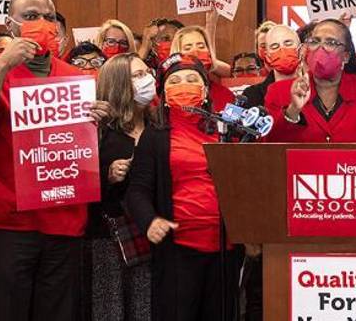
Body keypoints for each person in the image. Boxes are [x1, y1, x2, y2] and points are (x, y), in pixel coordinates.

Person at [0, 0, 110, 321]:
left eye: (49, 17)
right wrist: (3, 64)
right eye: (31, 16)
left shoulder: (75, 78)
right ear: (10, 25)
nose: (43, 24)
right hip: (8, 223)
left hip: (64, 219)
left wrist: (96, 123)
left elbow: (79, 150)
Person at [126, 53, 240, 321]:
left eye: (192, 79)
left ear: (204, 90)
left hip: (225, 250)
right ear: (163, 94)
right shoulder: (155, 135)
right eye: (175, 81)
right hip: (178, 250)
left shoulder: (226, 130)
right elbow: (137, 190)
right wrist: (150, 220)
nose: (184, 85)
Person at [84, 53, 153, 320]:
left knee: (145, 308)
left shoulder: (157, 125)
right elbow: (77, 181)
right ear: (119, 84)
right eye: (137, 76)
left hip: (150, 233)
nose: (147, 79)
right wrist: (108, 175)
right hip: (108, 237)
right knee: (109, 311)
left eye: (147, 72)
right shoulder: (98, 131)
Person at [264, 18, 356, 143]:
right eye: (315, 41)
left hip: (350, 164)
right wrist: (293, 110)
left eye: (330, 43)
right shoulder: (278, 91)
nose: (320, 48)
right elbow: (267, 146)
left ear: (346, 56)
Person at [169, 26, 234, 110]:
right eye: (188, 48)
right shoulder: (168, 95)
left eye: (201, 47)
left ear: (209, 52)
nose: (196, 52)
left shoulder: (225, 95)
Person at [242, 24, 300, 108]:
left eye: (288, 44)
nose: (282, 50)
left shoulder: (317, 88)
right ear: (267, 56)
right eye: (275, 47)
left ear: (301, 49)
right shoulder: (251, 95)